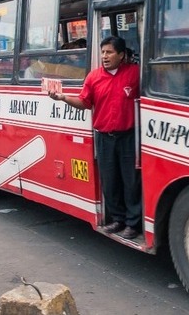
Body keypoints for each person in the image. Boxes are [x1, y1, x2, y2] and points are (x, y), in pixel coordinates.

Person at [48, 36, 141, 240]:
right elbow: (84, 102)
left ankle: (134, 223)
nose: (105, 56)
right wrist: (63, 98)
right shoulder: (94, 77)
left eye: (109, 52)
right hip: (104, 138)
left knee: (131, 181)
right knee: (110, 180)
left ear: (122, 55)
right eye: (103, 52)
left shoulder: (134, 74)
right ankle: (118, 220)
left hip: (128, 138)